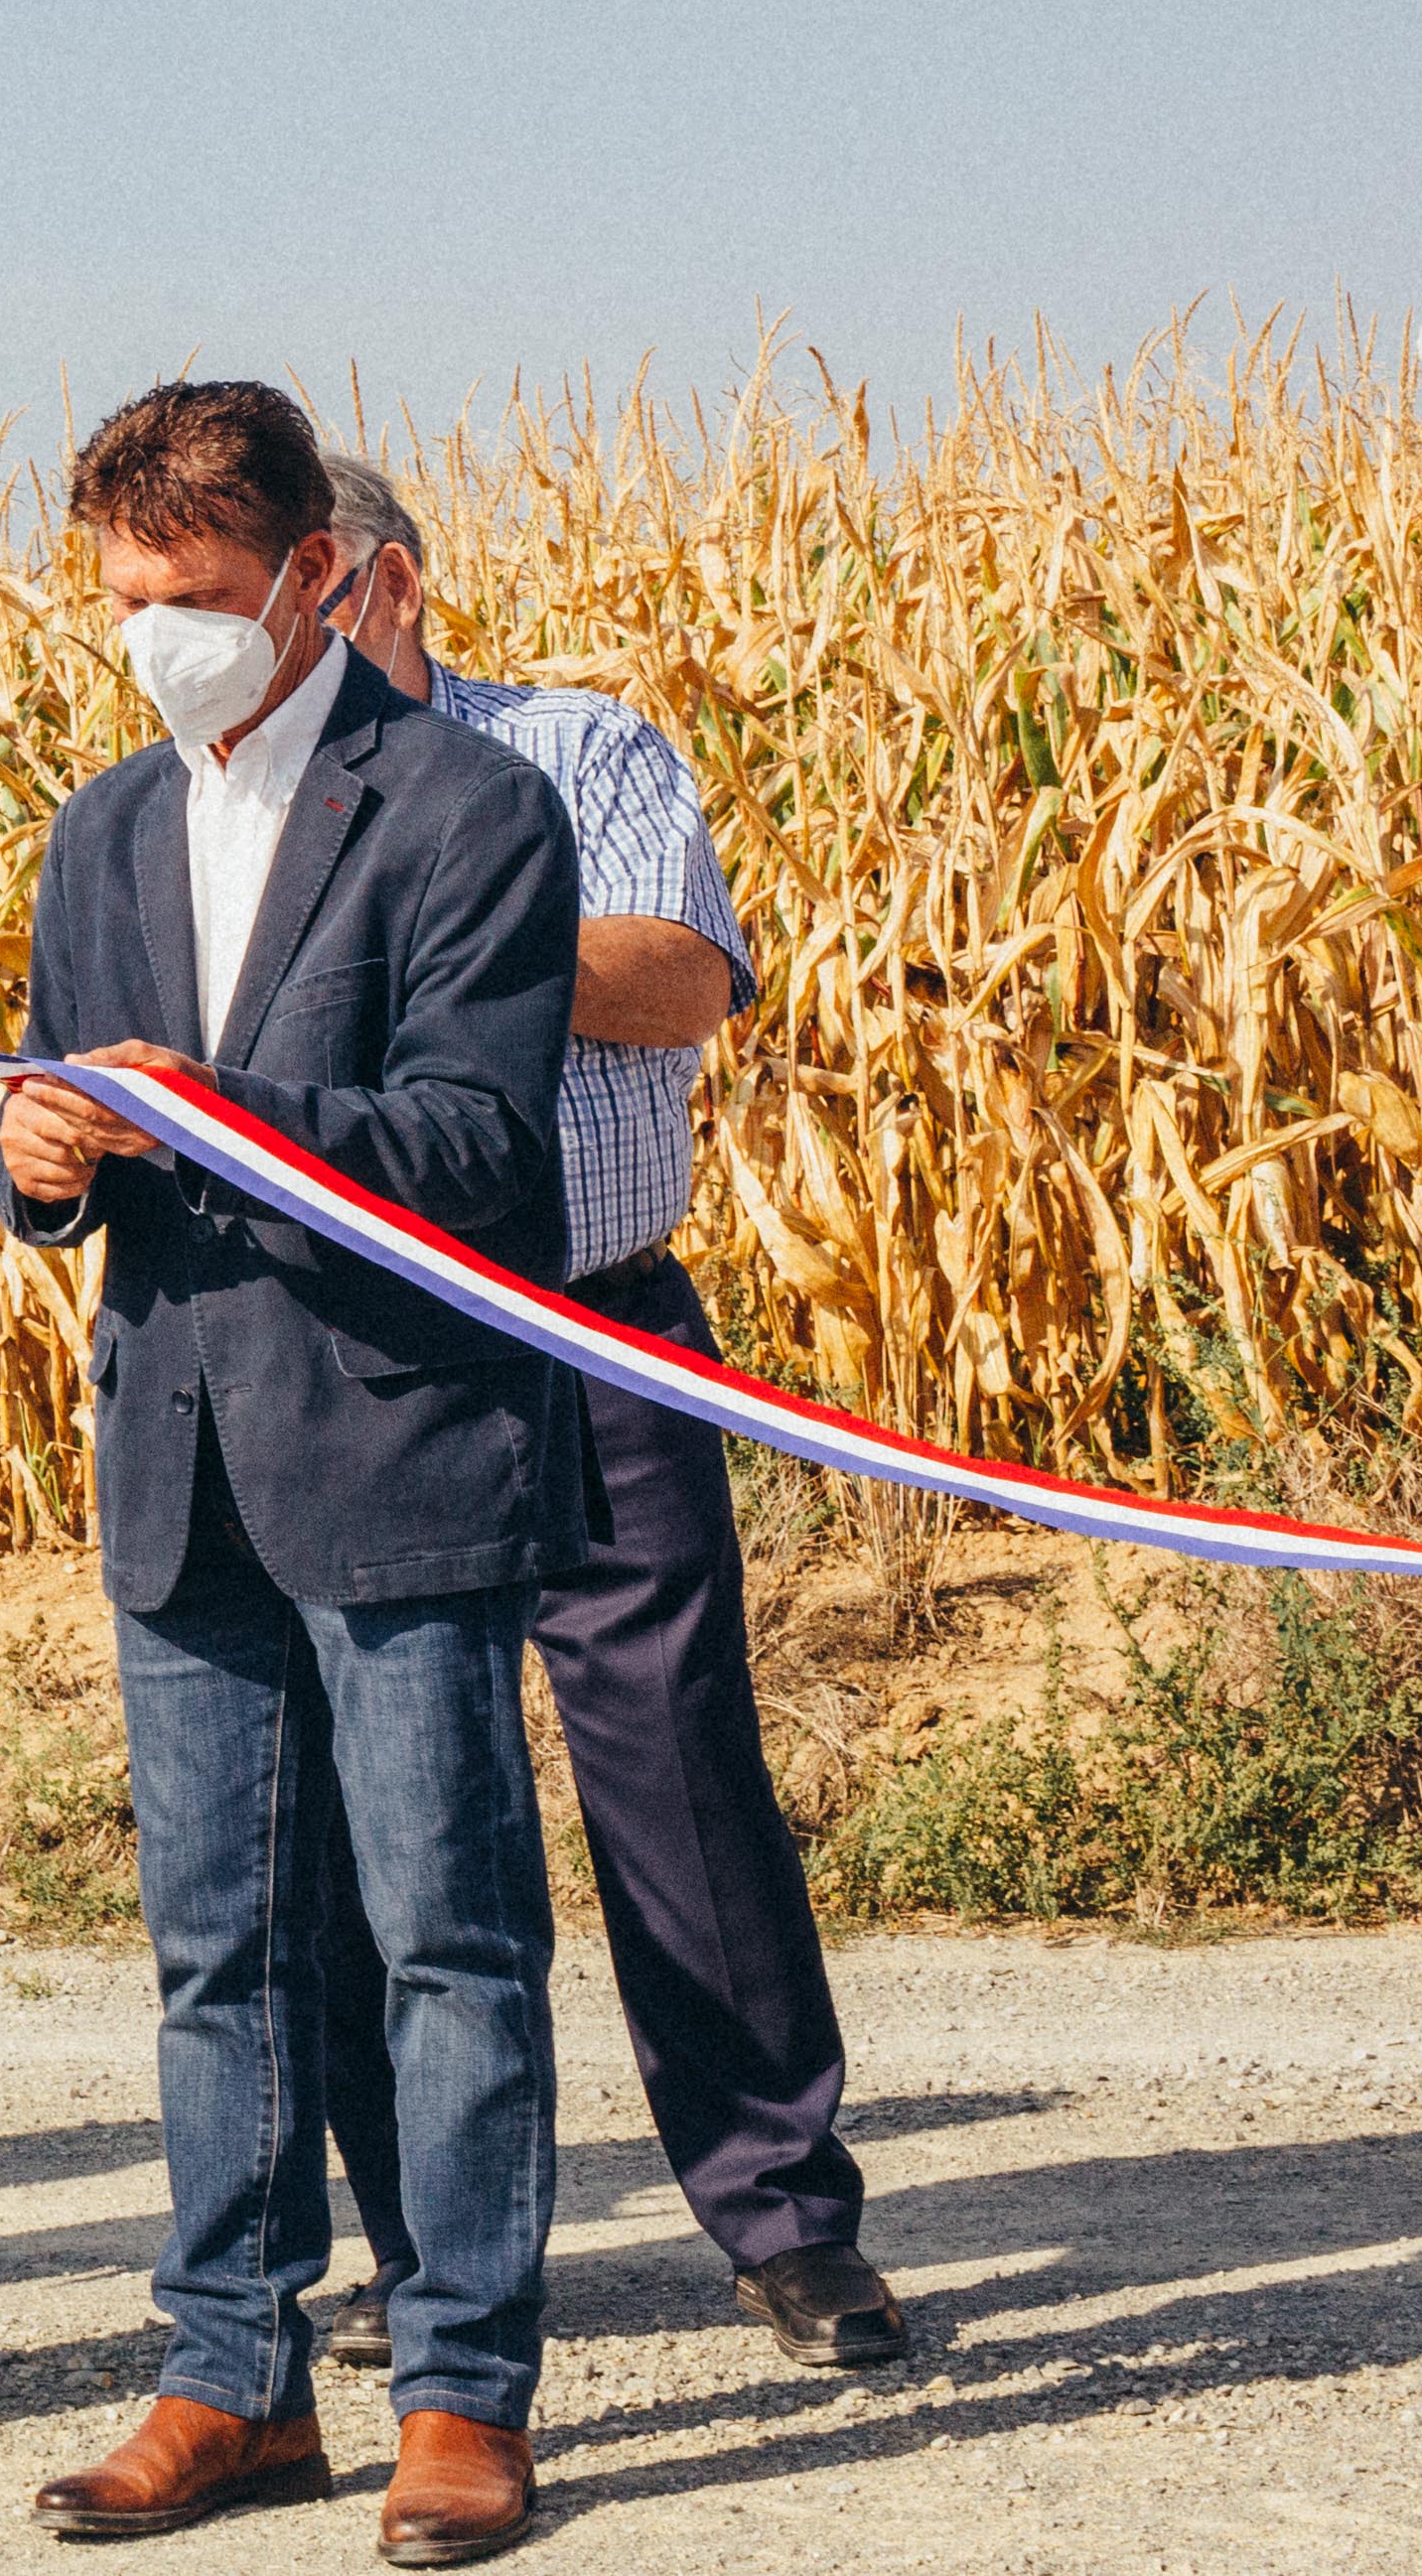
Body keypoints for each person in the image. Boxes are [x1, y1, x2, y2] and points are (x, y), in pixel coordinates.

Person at [0, 378, 580, 2569]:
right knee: (211, 1952)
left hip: (393, 1444)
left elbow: (473, 1152)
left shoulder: (463, 812)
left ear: (313, 571)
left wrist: (207, 1110)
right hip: (178, 1454)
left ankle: (457, 2389)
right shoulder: (96, 831)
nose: (154, 633)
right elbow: (48, 1116)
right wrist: (39, 1153)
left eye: (194, 594)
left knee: (443, 1941)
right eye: (123, 596)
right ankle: (229, 2370)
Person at [293, 453, 904, 2373]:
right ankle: (425, 2238)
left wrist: (426, 937)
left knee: (676, 1775)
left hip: (589, 1337)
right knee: (370, 1815)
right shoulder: (227, 807)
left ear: (375, 580)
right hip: (355, 1355)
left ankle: (784, 2215)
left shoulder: (577, 749)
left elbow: (670, 980)